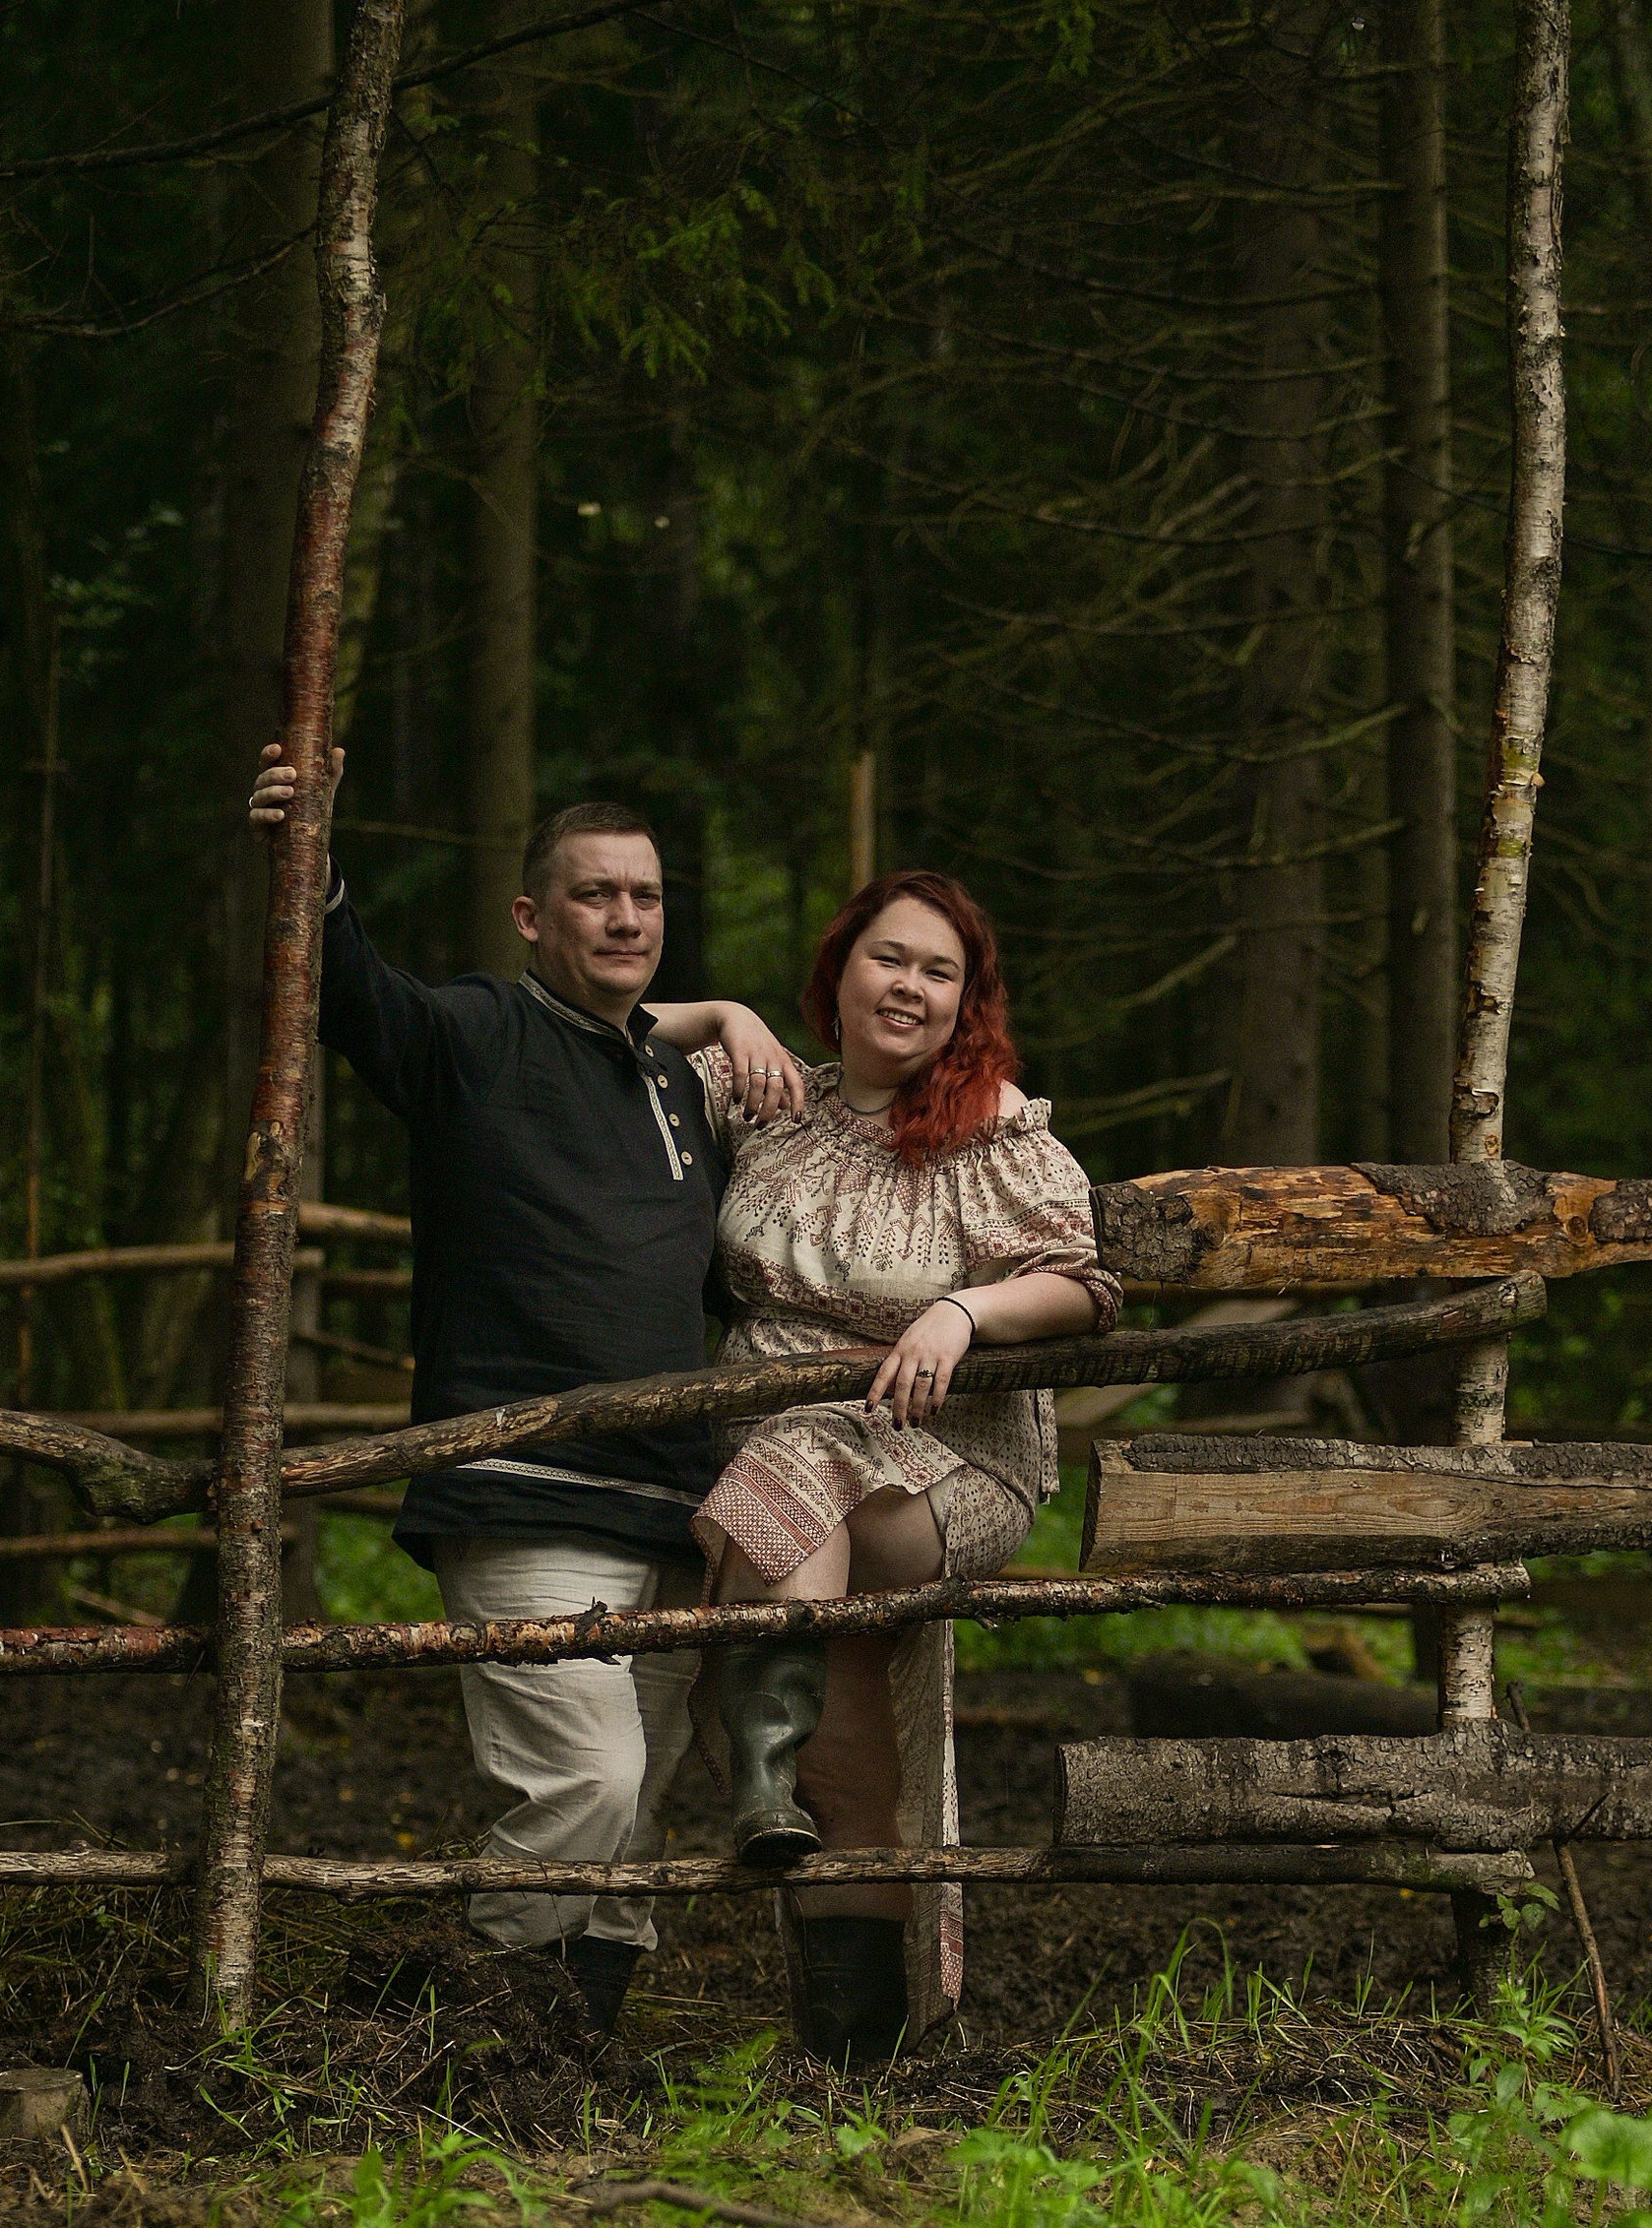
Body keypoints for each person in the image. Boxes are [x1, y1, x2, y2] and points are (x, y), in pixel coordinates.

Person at [247, 744, 805, 2039]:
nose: (626, 918)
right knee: (590, 1784)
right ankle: (495, 2031)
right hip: (525, 1494)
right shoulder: (477, 1035)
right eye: (597, 895)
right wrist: (308, 860)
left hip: (672, 1504)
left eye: (647, 898)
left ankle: (570, 2055)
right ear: (531, 916)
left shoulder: (676, 1082)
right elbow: (353, 996)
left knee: (638, 1804)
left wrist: (729, 1020)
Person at [696, 871, 1118, 2065]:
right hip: (790, 1473)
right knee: (849, 1765)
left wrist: (963, 1313)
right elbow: (612, 1024)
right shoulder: (769, 1105)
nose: (910, 987)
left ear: (965, 1003)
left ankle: (752, 1758)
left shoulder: (992, 1130)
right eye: (889, 959)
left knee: (807, 1447)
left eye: (940, 972)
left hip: (944, 1470)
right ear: (838, 972)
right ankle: (855, 2060)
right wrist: (725, 1011)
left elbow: (1085, 1285)